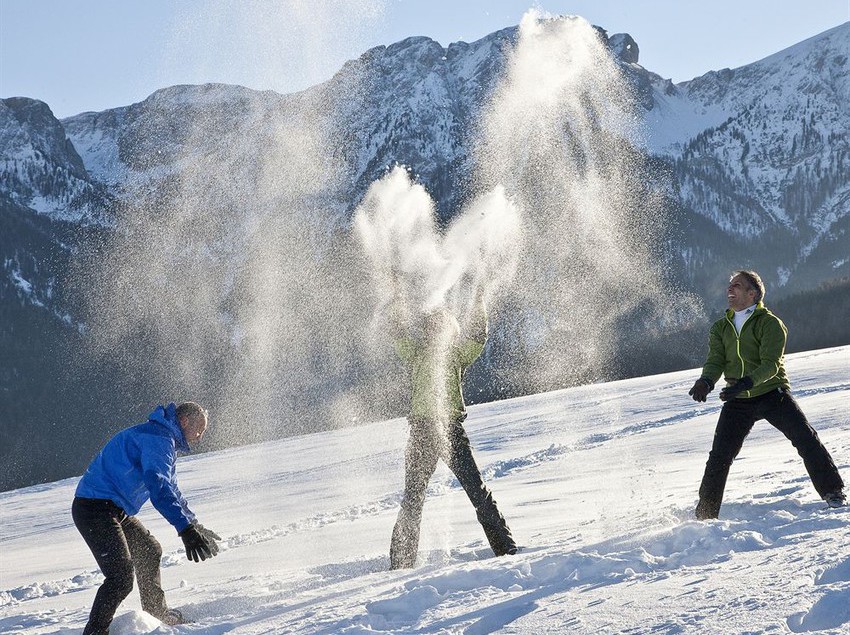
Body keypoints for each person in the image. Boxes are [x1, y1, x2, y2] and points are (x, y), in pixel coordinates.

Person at [688, 270, 845, 519]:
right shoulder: (720, 327)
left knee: (805, 438)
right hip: (738, 400)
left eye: (737, 285)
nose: (730, 289)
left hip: (772, 393)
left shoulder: (770, 323)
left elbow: (771, 364)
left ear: (752, 293)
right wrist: (706, 381)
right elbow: (716, 360)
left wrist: (746, 382)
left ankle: (833, 492)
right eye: (729, 285)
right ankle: (705, 514)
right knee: (719, 456)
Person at [390, 294, 517, 569]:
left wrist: (478, 300)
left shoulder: (457, 356)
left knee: (477, 492)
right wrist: (397, 299)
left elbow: (478, 337)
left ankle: (506, 550)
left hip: (451, 431)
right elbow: (398, 333)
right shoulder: (416, 354)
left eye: (441, 324)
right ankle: (400, 564)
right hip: (422, 432)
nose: (435, 329)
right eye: (431, 325)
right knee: (412, 499)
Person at [72, 401, 221, 634]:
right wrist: (184, 530)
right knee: (121, 577)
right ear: (184, 421)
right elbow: (159, 488)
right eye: (199, 429)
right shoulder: (158, 440)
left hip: (113, 508)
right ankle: (95, 632)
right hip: (95, 508)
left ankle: (156, 614)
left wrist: (193, 524)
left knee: (149, 550)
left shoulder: (163, 439)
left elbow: (172, 489)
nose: (200, 436)